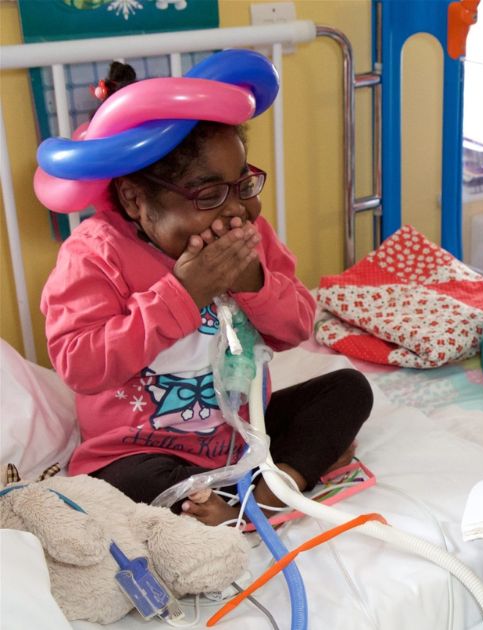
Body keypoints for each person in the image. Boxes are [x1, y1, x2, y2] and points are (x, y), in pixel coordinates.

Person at [40, 61, 373, 526]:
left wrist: (253, 282)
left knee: (348, 389)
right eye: (209, 194)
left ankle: (275, 489)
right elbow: (81, 363)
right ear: (136, 199)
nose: (238, 209)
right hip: (141, 447)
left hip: (242, 434)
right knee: (119, 484)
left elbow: (297, 326)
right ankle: (234, 500)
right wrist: (183, 292)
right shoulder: (95, 254)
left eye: (243, 184)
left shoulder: (252, 237)